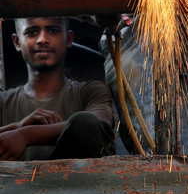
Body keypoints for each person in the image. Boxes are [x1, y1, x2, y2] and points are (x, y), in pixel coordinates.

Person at [0, 17, 116, 161]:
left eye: (53, 31)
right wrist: (16, 126)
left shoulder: (91, 91)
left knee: (84, 121)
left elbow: (97, 124)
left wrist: (26, 135)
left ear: (68, 39)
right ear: (17, 42)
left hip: (79, 181)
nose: (42, 39)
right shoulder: (3, 102)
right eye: (31, 32)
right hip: (13, 183)